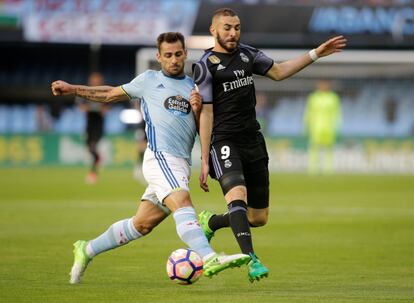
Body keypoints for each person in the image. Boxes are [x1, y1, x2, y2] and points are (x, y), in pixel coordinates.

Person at [51, 32, 250, 284]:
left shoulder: (193, 87)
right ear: (158, 57)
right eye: (168, 55)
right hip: (159, 158)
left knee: (142, 224)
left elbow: (202, 127)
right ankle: (209, 257)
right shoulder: (148, 80)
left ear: (185, 54)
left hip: (181, 163)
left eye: (178, 54)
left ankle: (87, 249)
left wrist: (199, 112)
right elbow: (110, 94)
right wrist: (72, 89)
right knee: (183, 201)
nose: (174, 60)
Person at [192, 8, 347, 282]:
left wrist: (315, 54)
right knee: (236, 195)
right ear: (213, 30)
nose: (233, 33)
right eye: (227, 27)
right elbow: (206, 112)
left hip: (253, 140)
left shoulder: (247, 54)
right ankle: (252, 260)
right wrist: (204, 157)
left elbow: (278, 71)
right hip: (224, 141)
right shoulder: (205, 65)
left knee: (258, 218)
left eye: (237, 27)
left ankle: (211, 222)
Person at [304, 80, 342, 174]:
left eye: (325, 85)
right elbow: (308, 112)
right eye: (321, 85)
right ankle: (313, 169)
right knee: (314, 147)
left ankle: (328, 169)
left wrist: (338, 126)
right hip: (316, 126)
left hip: (329, 126)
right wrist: (306, 125)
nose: (323, 87)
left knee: (329, 148)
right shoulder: (313, 97)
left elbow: (337, 113)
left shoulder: (333, 97)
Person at [76, 72, 108, 184]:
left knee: (93, 146)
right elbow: (81, 107)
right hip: (89, 124)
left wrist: (97, 108)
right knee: (89, 147)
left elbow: (107, 109)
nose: (95, 81)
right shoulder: (86, 92)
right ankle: (98, 159)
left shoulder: (105, 92)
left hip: (99, 124)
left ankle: (93, 174)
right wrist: (92, 108)